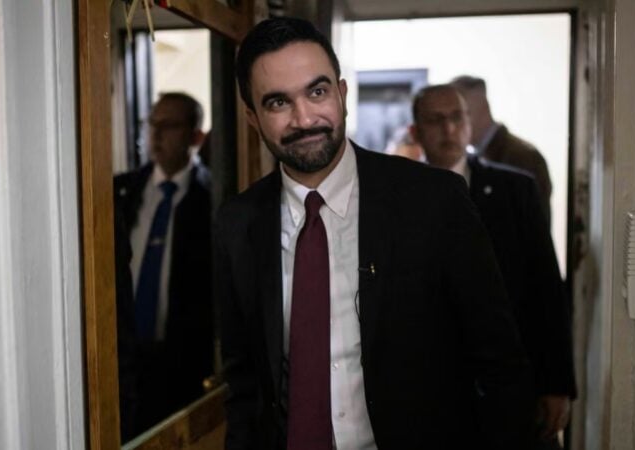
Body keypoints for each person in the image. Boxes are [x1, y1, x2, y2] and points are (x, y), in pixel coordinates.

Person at [215, 17, 534, 450]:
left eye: (317, 92)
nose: (304, 118)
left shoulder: (433, 201)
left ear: (342, 94)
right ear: (253, 119)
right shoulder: (237, 224)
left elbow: (499, 362)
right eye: (278, 102)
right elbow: (244, 383)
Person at [411, 84, 577, 449]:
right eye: (436, 120)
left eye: (457, 118)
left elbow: (546, 287)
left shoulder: (514, 189)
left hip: (510, 381)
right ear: (416, 130)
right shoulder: (400, 197)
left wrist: (557, 384)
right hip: (433, 389)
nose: (449, 130)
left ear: (469, 123)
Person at [113, 92, 214, 436]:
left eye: (168, 126)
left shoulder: (213, 199)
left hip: (182, 365)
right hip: (123, 361)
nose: (155, 135)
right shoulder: (121, 192)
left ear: (195, 136)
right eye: (151, 124)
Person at [451, 75, 554, 226]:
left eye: (458, 114)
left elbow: (535, 229)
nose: (451, 126)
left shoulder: (523, 157)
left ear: (482, 108)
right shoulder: (471, 158)